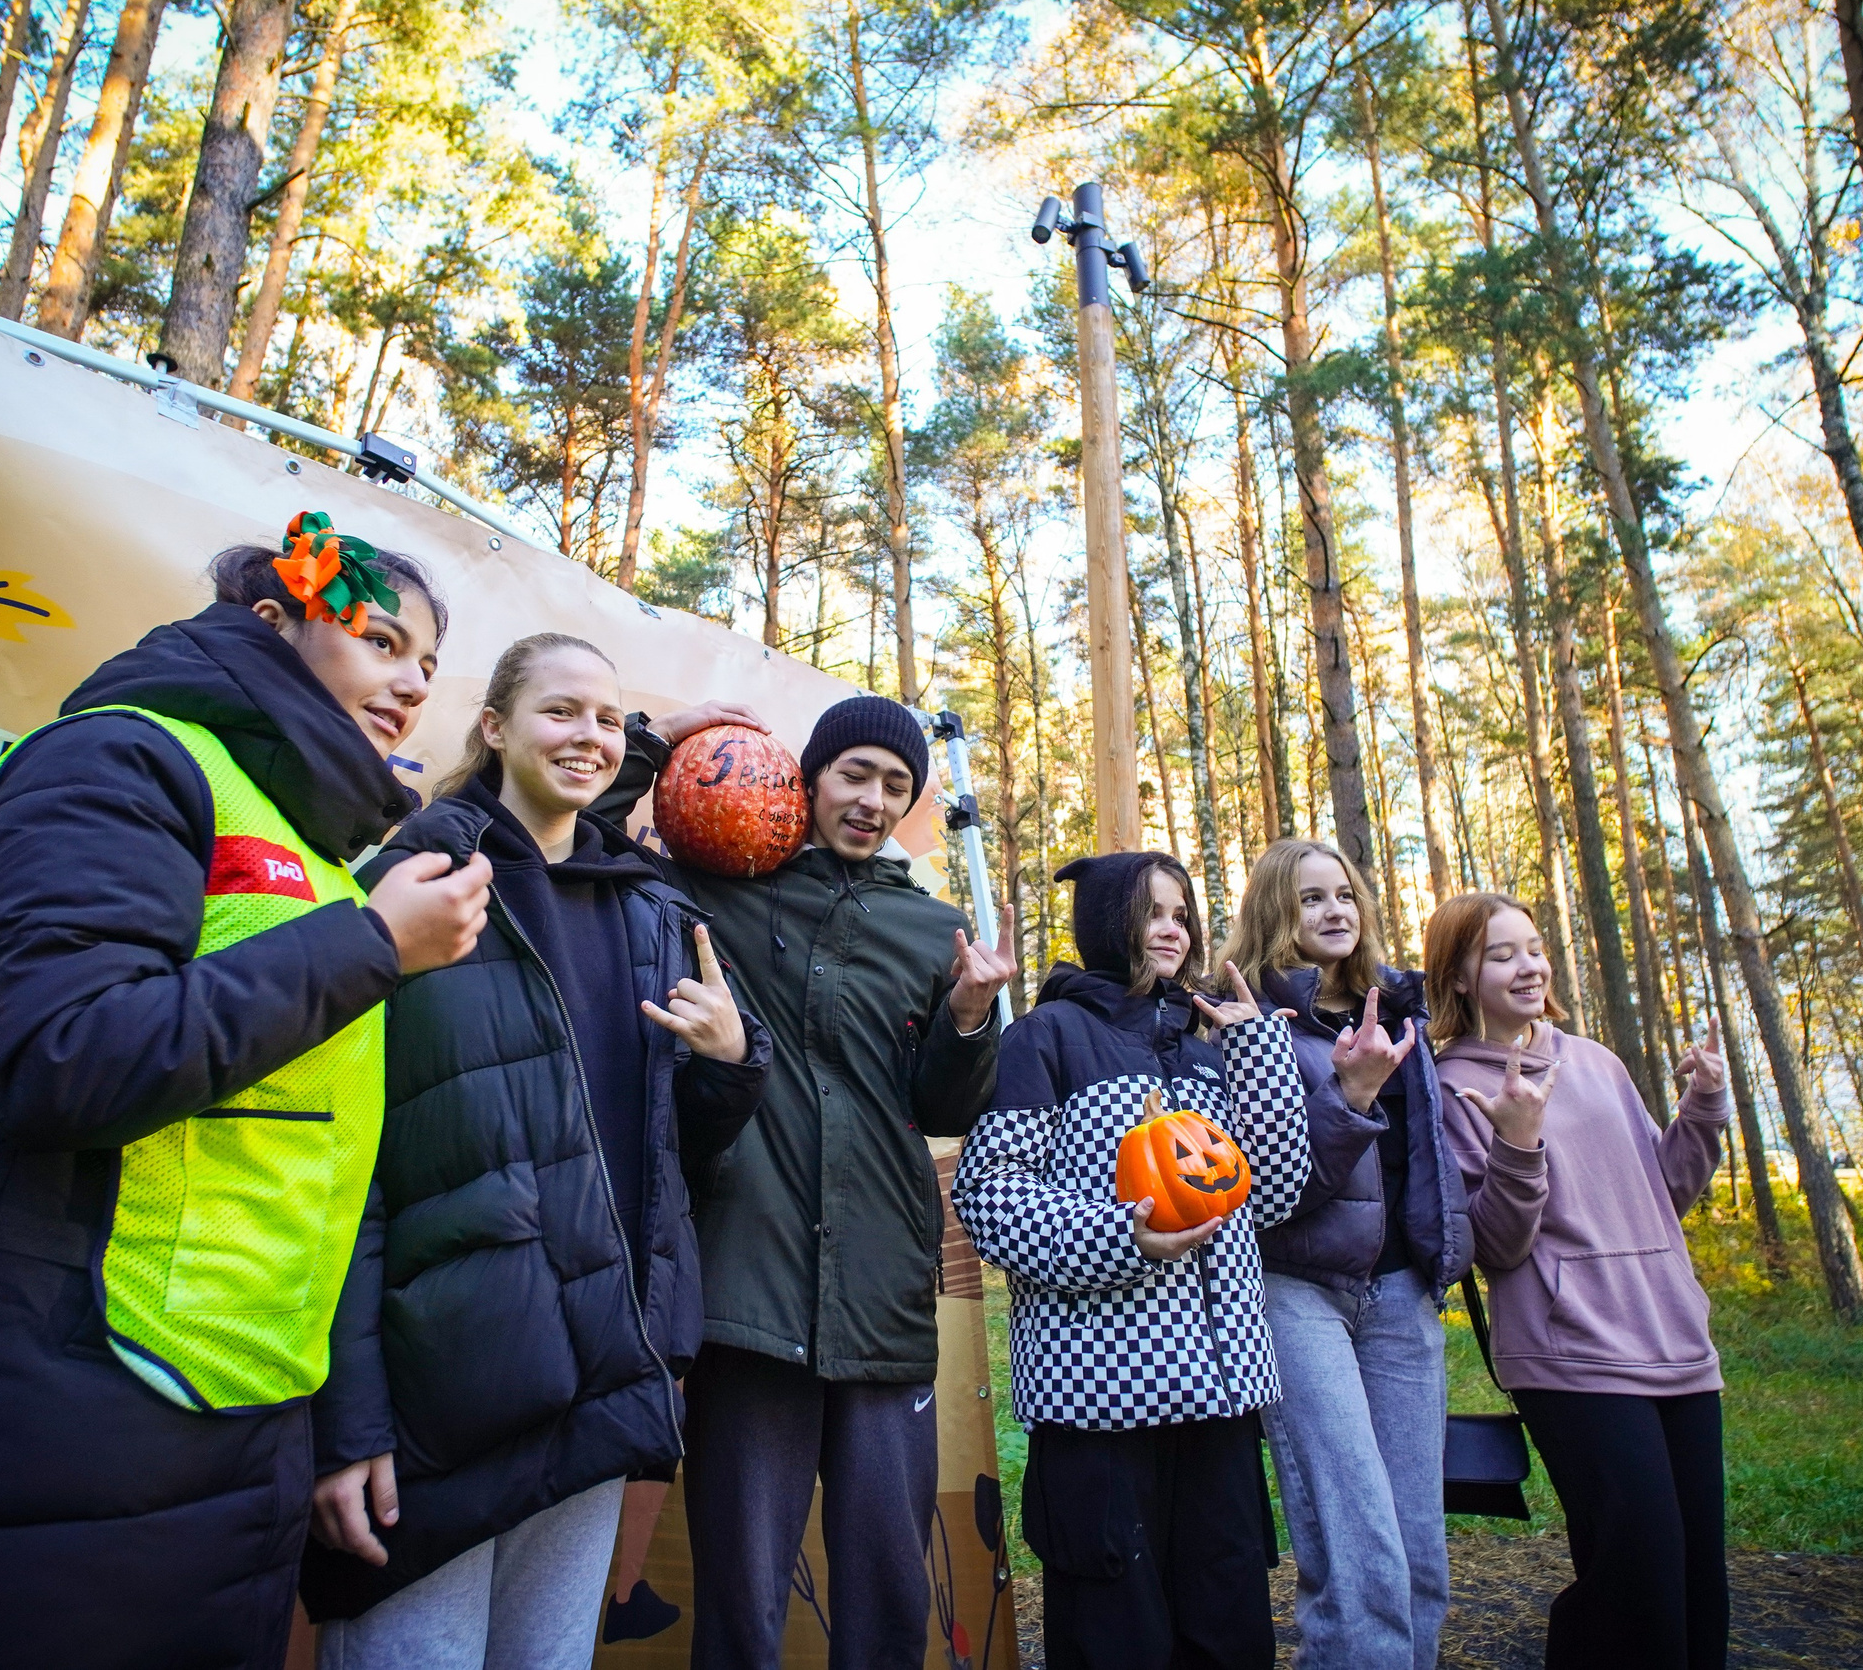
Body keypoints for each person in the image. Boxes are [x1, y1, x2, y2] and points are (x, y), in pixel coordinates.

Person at [0, 520, 492, 1669]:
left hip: (211, 1438)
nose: (414, 682)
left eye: (427, 663)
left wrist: (328, 1425)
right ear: (272, 622)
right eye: (381, 640)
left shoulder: (319, 858)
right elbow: (64, 1057)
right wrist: (370, 948)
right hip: (12, 1421)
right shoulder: (119, 758)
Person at [298, 632, 770, 1668]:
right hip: (438, 1396)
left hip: (598, 1378)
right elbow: (338, 1174)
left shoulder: (653, 907)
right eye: (560, 711)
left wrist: (731, 1061)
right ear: (494, 726)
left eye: (606, 718)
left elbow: (672, 1152)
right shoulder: (408, 886)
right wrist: (347, 1418)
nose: (588, 736)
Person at [592, 693, 1017, 1669]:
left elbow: (946, 1107)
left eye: (896, 786)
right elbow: (590, 837)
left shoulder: (934, 929)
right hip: (748, 1285)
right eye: (854, 774)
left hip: (882, 1292)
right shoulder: (721, 888)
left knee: (889, 1595)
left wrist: (966, 1016)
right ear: (809, 778)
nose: (873, 800)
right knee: (741, 1602)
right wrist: (659, 736)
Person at [951, 852, 1309, 1670]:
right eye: (1150, 911)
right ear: (1107, 922)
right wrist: (1122, 1237)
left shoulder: (1209, 1044)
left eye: (1181, 913)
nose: (1171, 928)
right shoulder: (1046, 1036)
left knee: (1228, 1629)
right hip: (1101, 1402)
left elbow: (1275, 1194)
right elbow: (990, 1193)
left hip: (1218, 1398)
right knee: (1118, 1638)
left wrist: (1258, 1051)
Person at [1428, 891, 1732, 1670]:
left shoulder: (1594, 1060)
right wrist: (1518, 1143)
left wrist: (1704, 1106)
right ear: (1458, 975)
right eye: (1502, 954)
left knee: (1699, 1571)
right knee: (1638, 1571)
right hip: (1571, 1351)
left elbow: (1666, 1191)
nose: (1529, 965)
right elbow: (1495, 1244)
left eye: (1534, 947)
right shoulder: (1454, 1083)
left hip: (1673, 1335)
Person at [1217, 838, 1469, 1670]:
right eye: (1311, 897)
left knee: (1418, 1549)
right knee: (1359, 1542)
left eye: (1345, 895)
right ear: (1274, 911)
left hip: (1401, 1292)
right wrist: (1351, 1093)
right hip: (1298, 1290)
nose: (1335, 911)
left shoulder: (1401, 1007)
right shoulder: (1247, 1017)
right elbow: (1267, 1187)